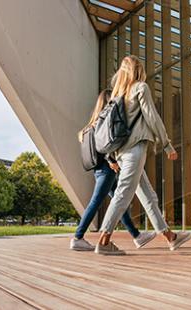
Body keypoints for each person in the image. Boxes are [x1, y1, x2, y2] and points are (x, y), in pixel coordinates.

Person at [95, 55, 191, 255]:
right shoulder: (140, 87)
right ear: (138, 70)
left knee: (148, 196)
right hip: (135, 150)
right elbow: (152, 116)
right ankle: (104, 241)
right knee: (123, 194)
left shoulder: (116, 96)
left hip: (122, 154)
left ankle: (171, 237)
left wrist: (111, 157)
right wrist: (166, 145)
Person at [71, 89, 156, 251]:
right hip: (106, 168)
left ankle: (137, 236)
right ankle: (78, 237)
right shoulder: (102, 123)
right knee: (97, 202)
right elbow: (104, 145)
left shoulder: (90, 125)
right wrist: (110, 160)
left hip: (98, 169)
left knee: (119, 202)